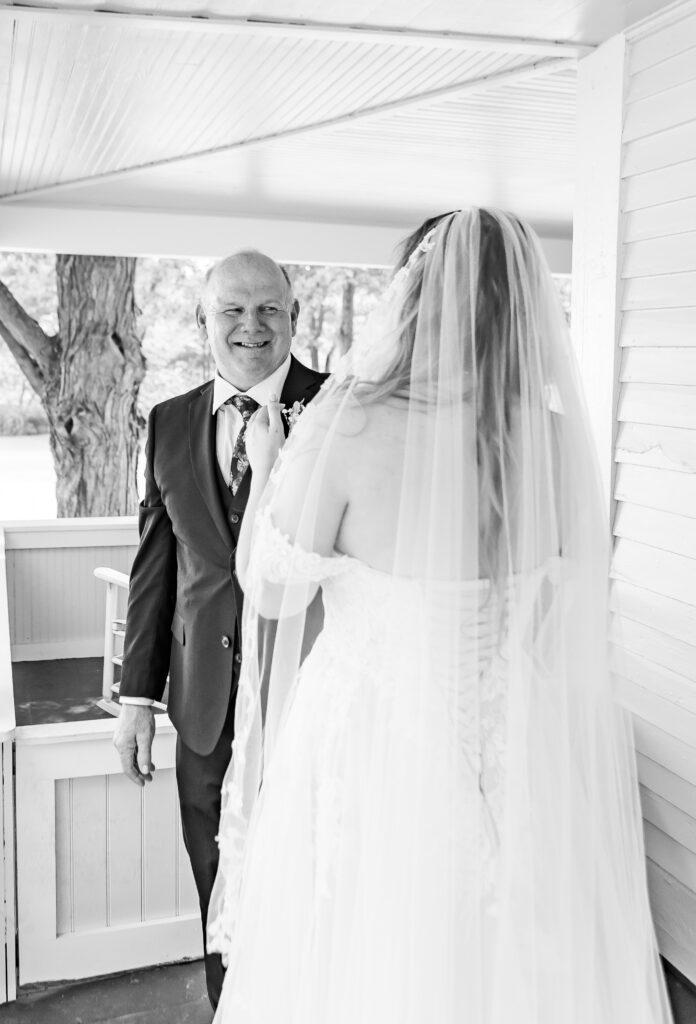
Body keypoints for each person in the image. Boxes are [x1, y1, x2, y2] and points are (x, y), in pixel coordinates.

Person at [207, 209, 673, 1023]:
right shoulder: (556, 441)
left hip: (372, 747)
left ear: (413, 296)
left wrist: (280, 470)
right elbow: (560, 622)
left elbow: (274, 591)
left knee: (363, 960)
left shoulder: (349, 422)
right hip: (523, 747)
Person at [113, 251, 327, 1010]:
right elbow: (154, 568)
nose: (251, 326)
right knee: (218, 880)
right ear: (202, 321)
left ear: (295, 317)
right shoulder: (168, 422)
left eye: (268, 308)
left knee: (313, 869)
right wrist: (137, 697)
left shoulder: (343, 411)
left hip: (312, 698)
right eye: (231, 310)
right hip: (203, 704)